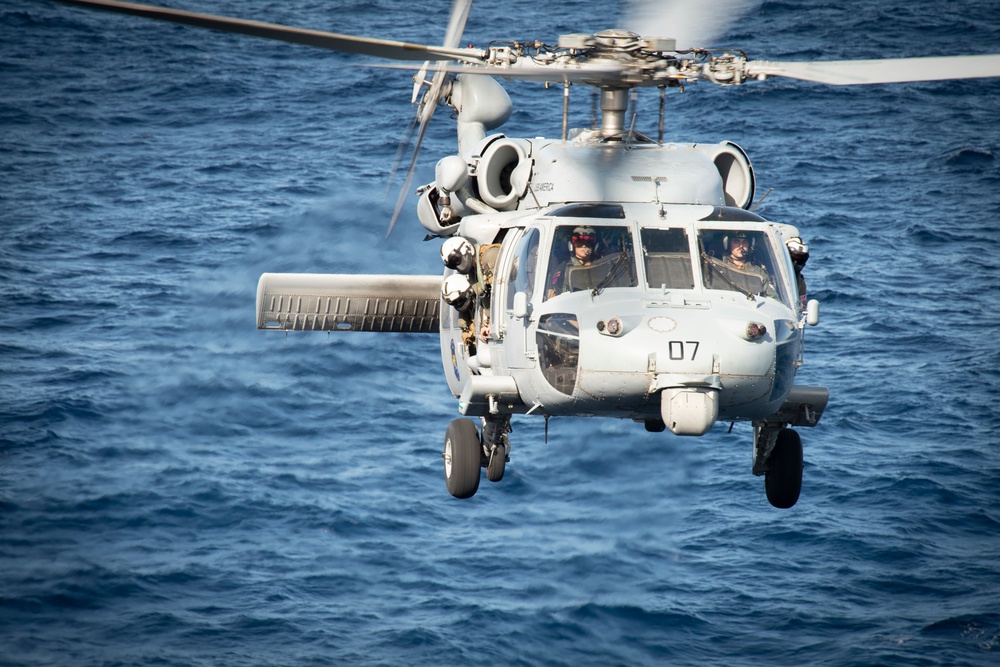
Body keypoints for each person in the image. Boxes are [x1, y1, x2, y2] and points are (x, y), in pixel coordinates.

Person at [710, 231, 776, 298]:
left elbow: (773, 298)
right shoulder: (715, 267)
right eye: (736, 242)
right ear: (728, 244)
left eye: (745, 242)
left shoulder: (759, 273)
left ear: (750, 245)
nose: (741, 246)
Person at [546, 226, 599, 298]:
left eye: (589, 241)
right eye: (579, 242)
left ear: (595, 245)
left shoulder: (603, 265)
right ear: (571, 245)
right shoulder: (563, 269)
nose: (584, 246)